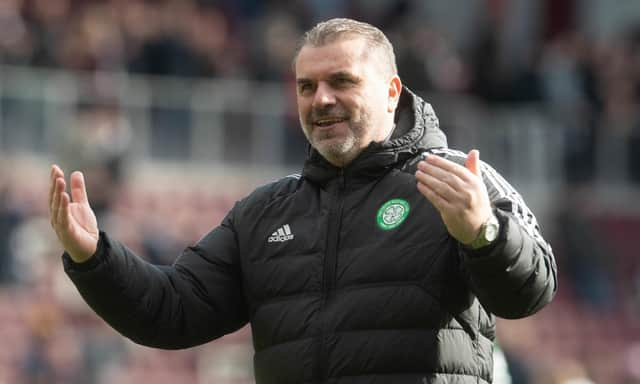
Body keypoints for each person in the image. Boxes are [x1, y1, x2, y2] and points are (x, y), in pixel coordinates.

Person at [48, 18, 557, 384]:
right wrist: (94, 258)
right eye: (306, 86)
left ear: (391, 92)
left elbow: (530, 293)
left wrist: (484, 235)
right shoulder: (264, 212)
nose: (321, 100)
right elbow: (171, 311)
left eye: (342, 81)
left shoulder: (456, 180)